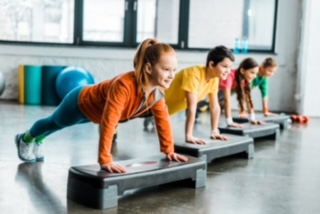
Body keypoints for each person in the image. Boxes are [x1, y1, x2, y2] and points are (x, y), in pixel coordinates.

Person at [15, 38, 188, 173]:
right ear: (149, 68)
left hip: (93, 114)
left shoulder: (156, 94)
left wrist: (169, 150)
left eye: (174, 70)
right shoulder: (124, 85)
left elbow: (163, 120)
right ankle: (25, 139)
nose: (172, 75)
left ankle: (39, 139)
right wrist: (105, 159)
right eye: (166, 69)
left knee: (60, 125)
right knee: (54, 122)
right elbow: (110, 121)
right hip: (80, 102)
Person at [144, 46, 235, 144]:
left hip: (166, 110)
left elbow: (215, 107)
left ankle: (152, 118)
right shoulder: (193, 74)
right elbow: (191, 108)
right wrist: (189, 136)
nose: (228, 71)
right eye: (225, 66)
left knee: (158, 116)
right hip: (150, 105)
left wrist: (214, 131)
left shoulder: (214, 78)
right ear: (212, 64)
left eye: (230, 67)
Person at [219, 57, 265, 128]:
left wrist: (252, 118)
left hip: (220, 92)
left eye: (256, 73)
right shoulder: (230, 76)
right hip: (212, 91)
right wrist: (230, 122)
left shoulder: (245, 80)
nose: (255, 76)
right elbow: (227, 100)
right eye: (252, 73)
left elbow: (248, 98)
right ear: (242, 70)